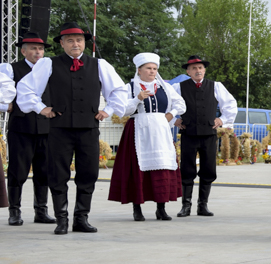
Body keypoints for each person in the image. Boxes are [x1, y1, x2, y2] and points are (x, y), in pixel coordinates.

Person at [17, 23, 128, 234]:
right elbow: (25, 88)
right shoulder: (48, 63)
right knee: (58, 173)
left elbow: (119, 90)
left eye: (79, 40)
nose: (75, 44)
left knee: (88, 173)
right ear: (61, 43)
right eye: (69, 40)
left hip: (88, 128)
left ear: (84, 43)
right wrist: (41, 108)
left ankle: (81, 218)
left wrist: (108, 110)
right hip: (59, 129)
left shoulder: (99, 64)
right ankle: (62, 219)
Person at [108, 53, 186, 221]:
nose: (152, 71)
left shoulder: (165, 87)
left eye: (154, 68)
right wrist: (137, 99)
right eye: (148, 68)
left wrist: (170, 115)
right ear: (139, 70)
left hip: (160, 129)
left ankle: (161, 208)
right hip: (138, 129)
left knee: (162, 167)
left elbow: (181, 104)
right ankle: (137, 209)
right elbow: (123, 111)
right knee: (137, 168)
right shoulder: (130, 87)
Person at [172, 56, 237, 217]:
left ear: (204, 70)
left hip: (209, 135)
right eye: (194, 68)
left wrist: (222, 119)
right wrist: (174, 119)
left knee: (208, 169)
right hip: (188, 133)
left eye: (200, 67)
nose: (197, 70)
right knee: (187, 169)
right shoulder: (178, 87)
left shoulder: (216, 86)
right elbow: (167, 104)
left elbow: (230, 104)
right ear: (188, 71)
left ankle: (203, 205)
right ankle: (185, 206)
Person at [1, 31, 54, 226]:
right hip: (21, 127)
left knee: (44, 171)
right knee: (18, 171)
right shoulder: (11, 69)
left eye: (40, 49)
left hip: (47, 128)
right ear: (24, 51)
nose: (38, 52)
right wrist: (6, 105)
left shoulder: (51, 69)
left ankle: (41, 210)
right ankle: (14, 211)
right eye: (33, 49)